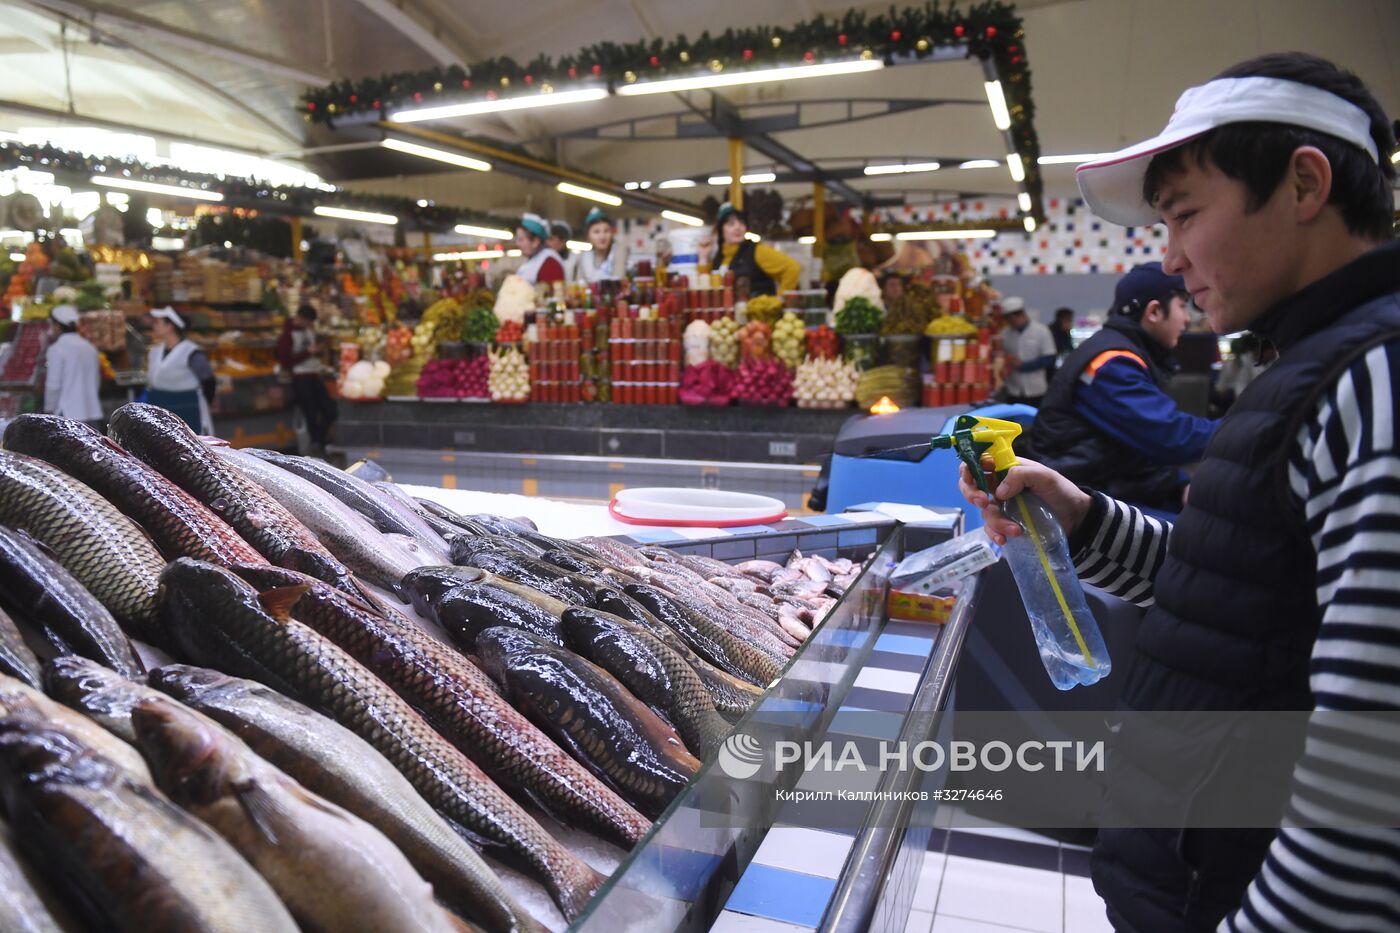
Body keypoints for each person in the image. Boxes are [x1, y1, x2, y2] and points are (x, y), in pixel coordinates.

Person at [963, 52, 1400, 932]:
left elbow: (1370, 765)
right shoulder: (1311, 366)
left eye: (1186, 214)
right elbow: (1240, 593)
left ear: (1304, 184)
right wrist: (1083, 520)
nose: (1171, 257)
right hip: (1194, 879)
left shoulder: (1372, 382)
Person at [1027, 264, 1217, 512]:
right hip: (1080, 502)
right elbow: (1171, 437)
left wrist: (1178, 485)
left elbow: (1135, 447)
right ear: (1155, 311)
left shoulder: (1126, 353)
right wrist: (1244, 428)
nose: (1188, 318)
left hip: (1109, 484)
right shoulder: (1109, 364)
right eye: (1182, 305)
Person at [701, 202, 800, 296]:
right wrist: (703, 257)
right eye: (731, 224)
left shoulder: (757, 251)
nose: (738, 228)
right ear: (720, 230)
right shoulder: (719, 258)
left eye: (741, 223)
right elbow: (704, 288)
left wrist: (780, 299)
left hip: (757, 312)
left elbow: (792, 268)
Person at [278, 303, 336, 456]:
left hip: (315, 375)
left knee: (330, 410)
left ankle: (320, 439)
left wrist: (316, 352)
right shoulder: (287, 335)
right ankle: (318, 444)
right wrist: (308, 352)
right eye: (309, 322)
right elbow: (285, 361)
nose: (311, 325)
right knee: (310, 414)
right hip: (300, 379)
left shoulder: (308, 331)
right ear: (302, 318)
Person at [145, 306, 215, 434]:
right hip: (158, 407)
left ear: (170, 327)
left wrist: (203, 405)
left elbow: (209, 381)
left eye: (158, 322)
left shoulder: (191, 352)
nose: (153, 326)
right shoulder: (155, 351)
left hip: (185, 410)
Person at [42, 303, 102, 427]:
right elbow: (97, 381)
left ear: (57, 326)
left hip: (68, 415)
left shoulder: (57, 349)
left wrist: (49, 409)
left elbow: (53, 386)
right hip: (91, 413)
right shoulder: (90, 347)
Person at [999, 297, 1057, 407]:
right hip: (1013, 389)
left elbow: (1049, 358)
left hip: (1036, 390)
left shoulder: (1041, 331)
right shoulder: (1005, 333)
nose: (1011, 324)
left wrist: (1025, 366)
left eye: (1012, 320)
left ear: (1020, 315)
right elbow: (1003, 355)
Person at [576, 207, 629, 283]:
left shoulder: (618, 251)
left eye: (606, 231)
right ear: (588, 236)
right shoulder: (584, 257)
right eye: (596, 232)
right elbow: (579, 284)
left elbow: (617, 281)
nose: (602, 236)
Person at [514, 213, 565, 287]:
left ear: (535, 242)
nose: (517, 244)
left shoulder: (550, 263)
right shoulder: (533, 260)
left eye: (521, 239)